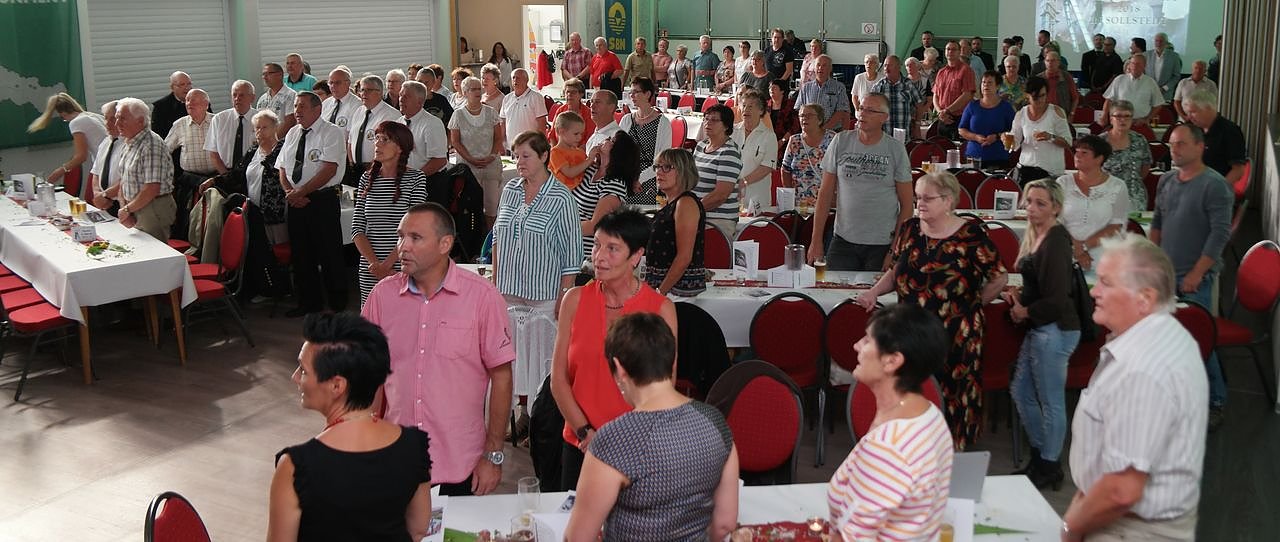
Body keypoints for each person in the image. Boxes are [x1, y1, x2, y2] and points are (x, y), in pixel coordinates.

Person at [361, 203, 515, 496]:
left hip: (460, 464)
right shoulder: (382, 297)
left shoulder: (482, 297)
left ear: (445, 244)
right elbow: (369, 377)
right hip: (396, 459)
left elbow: (502, 377)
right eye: (400, 236)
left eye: (415, 238)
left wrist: (493, 454)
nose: (403, 247)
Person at [1063, 234, 1207, 540]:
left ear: (1144, 299)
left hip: (1130, 530)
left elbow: (1121, 490)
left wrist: (1071, 528)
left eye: (1106, 283)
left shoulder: (1142, 369)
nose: (1094, 291)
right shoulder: (1162, 334)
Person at [855, 172, 1008, 449]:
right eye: (917, 198)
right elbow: (896, 270)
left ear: (948, 200)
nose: (920, 204)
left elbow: (999, 278)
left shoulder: (971, 235)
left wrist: (971, 305)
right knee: (913, 391)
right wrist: (873, 292)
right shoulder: (910, 229)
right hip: (911, 333)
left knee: (956, 395)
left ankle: (954, 453)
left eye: (927, 198)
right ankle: (912, 450)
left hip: (957, 334)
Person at [564, 312, 735, 541]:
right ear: (672, 360)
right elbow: (725, 524)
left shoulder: (614, 440)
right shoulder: (716, 423)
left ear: (620, 369)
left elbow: (578, 537)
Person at [267, 313, 432, 542]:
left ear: (337, 386)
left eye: (303, 370)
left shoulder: (296, 466)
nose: (295, 377)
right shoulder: (414, 445)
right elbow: (418, 528)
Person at [551, 210, 678, 488]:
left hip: (636, 448)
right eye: (597, 245)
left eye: (612, 248)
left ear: (636, 256)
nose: (599, 256)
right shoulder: (575, 299)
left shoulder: (659, 309)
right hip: (581, 443)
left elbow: (664, 387)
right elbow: (558, 379)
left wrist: (620, 441)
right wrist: (586, 433)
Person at [827, 302, 954, 540]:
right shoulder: (930, 414)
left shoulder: (888, 446)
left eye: (867, 340)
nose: (856, 345)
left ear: (892, 361)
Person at [1150, 123, 1232, 430]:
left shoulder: (1214, 185)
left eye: (1181, 144)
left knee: (1198, 342)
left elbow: (1220, 234)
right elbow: (1158, 223)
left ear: (1200, 147)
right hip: (1166, 276)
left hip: (1194, 280)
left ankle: (1216, 401)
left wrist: (1197, 273)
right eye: (1172, 144)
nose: (1174, 149)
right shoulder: (1167, 180)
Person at [1001, 179, 1080, 490]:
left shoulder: (1056, 240)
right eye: (1029, 201)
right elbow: (1041, 287)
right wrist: (1019, 296)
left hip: (1055, 329)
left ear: (1056, 208)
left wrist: (1025, 311)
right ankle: (1042, 455)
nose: (1031, 208)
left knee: (1051, 401)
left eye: (1040, 203)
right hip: (1042, 327)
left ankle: (1049, 463)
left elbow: (1057, 300)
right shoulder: (1038, 235)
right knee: (1022, 392)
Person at [807, 93, 912, 272]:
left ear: (884, 118)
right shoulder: (841, 141)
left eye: (870, 110)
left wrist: (894, 250)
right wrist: (816, 240)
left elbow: (907, 205)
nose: (862, 114)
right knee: (834, 288)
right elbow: (824, 195)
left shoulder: (895, 149)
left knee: (876, 290)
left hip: (882, 244)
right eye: (861, 108)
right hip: (843, 240)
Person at [493, 130, 582, 323]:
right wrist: (495, 285)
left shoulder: (562, 197)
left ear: (543, 156)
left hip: (544, 297)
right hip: (507, 291)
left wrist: (564, 295)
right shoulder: (509, 190)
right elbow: (496, 239)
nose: (519, 162)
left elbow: (572, 254)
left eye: (526, 156)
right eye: (516, 156)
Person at [274, 91, 348, 316]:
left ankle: (337, 303)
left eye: (302, 106)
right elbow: (282, 168)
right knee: (301, 254)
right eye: (295, 106)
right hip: (295, 199)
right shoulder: (292, 133)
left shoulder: (331, 132)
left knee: (329, 252)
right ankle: (308, 303)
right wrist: (290, 192)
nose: (297, 111)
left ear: (317, 109)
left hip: (321, 199)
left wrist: (302, 192)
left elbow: (329, 169)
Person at [351, 122, 429, 304]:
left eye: (385, 139)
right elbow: (357, 228)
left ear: (400, 147)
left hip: (405, 264)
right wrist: (375, 264)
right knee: (371, 316)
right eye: (376, 138)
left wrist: (386, 266)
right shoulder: (366, 179)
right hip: (370, 268)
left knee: (404, 316)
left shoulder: (415, 178)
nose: (377, 144)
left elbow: (416, 229)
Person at [199, 109, 288, 246]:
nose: (260, 131)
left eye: (264, 127)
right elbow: (236, 175)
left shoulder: (283, 150)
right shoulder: (253, 151)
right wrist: (214, 180)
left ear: (275, 127)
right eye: (257, 128)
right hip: (253, 212)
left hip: (275, 214)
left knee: (279, 248)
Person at [102, 97, 177, 241]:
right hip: (134, 207)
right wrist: (125, 209)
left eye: (122, 119)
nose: (117, 123)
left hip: (152, 209)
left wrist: (127, 209)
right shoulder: (130, 142)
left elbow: (152, 188)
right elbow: (124, 180)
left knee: (153, 251)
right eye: (117, 118)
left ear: (140, 121)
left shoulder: (152, 145)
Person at [646, 149, 707, 296]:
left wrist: (660, 292)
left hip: (676, 291)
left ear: (683, 171)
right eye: (657, 167)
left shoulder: (685, 203)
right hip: (667, 288)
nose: (659, 172)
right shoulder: (673, 203)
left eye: (667, 167)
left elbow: (684, 257)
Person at [448, 76, 505, 228]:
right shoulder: (458, 115)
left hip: (490, 165)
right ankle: (475, 237)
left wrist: (492, 155)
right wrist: (470, 159)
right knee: (471, 205)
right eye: (473, 89)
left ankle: (491, 236)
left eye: (479, 88)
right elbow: (455, 141)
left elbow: (498, 138)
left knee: (492, 204)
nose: (478, 92)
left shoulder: (491, 112)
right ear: (465, 92)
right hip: (468, 167)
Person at [26, 92, 107, 198]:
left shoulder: (76, 122)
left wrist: (60, 171)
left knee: (92, 199)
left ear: (62, 113)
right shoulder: (93, 116)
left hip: (104, 168)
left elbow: (81, 156)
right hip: (109, 165)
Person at [165, 89, 217, 234]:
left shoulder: (217, 121)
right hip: (189, 181)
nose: (189, 103)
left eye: (193, 100)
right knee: (188, 220)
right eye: (187, 100)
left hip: (214, 178)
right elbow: (165, 151)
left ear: (206, 104)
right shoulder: (179, 124)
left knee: (212, 218)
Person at [575, 132, 636, 256]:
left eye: (611, 140)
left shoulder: (615, 184)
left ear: (617, 152)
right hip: (566, 244)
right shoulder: (589, 169)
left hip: (584, 253)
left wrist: (560, 225)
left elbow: (595, 226)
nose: (605, 139)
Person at [617, 77, 672, 204]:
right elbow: (619, 152)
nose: (632, 96)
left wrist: (639, 179)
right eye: (631, 92)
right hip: (626, 178)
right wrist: (629, 178)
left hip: (651, 177)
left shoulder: (662, 122)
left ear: (647, 94)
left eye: (636, 92)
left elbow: (663, 158)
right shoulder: (627, 120)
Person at [692, 104, 743, 238]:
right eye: (706, 119)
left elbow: (721, 194)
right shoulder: (700, 146)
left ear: (726, 126)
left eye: (714, 120)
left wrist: (694, 208)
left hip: (718, 221)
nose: (708, 123)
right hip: (698, 215)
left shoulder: (729, 152)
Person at [1010, 76, 1072, 183]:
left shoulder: (1056, 112)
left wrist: (1050, 137)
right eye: (1035, 97)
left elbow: (1068, 142)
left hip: (1051, 172)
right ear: (1027, 95)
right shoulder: (1021, 114)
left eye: (1043, 95)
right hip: (1026, 169)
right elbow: (1015, 144)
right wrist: (1007, 140)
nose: (1040, 100)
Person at [1182, 89, 1248, 185]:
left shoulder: (1229, 131)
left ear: (1208, 108)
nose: (1189, 117)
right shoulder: (1192, 128)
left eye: (1193, 112)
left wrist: (1218, 188)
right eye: (1188, 113)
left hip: (1214, 185)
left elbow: (1238, 170)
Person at [1100, 100, 1154, 213]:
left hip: (1134, 195)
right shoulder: (1100, 141)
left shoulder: (1140, 140)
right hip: (1105, 195)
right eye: (1118, 116)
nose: (1123, 120)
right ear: (1111, 119)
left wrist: (1132, 180)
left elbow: (1145, 166)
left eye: (1127, 116)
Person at [347, 75, 402, 184]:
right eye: (362, 90)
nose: (364, 93)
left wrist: (373, 167)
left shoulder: (391, 115)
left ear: (380, 92)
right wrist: (351, 162)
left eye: (369, 90)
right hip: (355, 170)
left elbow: (391, 147)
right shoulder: (358, 111)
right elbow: (350, 140)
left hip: (379, 170)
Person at [728, 89, 777, 209]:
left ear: (761, 110)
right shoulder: (731, 132)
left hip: (757, 199)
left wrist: (743, 182)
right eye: (744, 105)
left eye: (750, 106)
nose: (746, 109)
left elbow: (766, 167)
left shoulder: (769, 136)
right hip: (731, 197)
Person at [958, 71, 1017, 169]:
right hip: (973, 157)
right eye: (983, 82)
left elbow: (1014, 130)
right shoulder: (972, 106)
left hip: (998, 157)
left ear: (997, 86)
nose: (986, 85)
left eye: (990, 83)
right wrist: (975, 137)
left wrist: (997, 136)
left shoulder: (1006, 107)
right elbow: (961, 129)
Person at [781, 104, 834, 205]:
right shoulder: (794, 140)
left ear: (820, 119)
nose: (804, 118)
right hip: (799, 202)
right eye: (802, 115)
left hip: (825, 202)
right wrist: (789, 194)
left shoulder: (832, 139)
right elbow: (785, 169)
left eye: (809, 115)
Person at [395, 81, 449, 176]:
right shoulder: (398, 123)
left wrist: (416, 178)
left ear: (419, 102)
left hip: (429, 179)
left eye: (406, 97)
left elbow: (440, 160)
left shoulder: (432, 124)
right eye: (400, 95)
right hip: (403, 179)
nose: (401, 100)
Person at [206, 80, 258, 176]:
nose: (237, 98)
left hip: (253, 173)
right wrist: (226, 176)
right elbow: (213, 153)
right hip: (225, 172)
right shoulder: (219, 119)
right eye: (234, 95)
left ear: (252, 98)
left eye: (241, 95)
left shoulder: (260, 119)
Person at [871, 55, 926, 139]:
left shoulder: (908, 85)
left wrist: (917, 124)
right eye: (885, 65)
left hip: (903, 134)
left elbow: (919, 105)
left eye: (889, 65)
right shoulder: (878, 87)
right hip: (883, 135)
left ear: (898, 67)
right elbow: (871, 109)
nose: (886, 68)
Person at [932, 41, 977, 141]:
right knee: (941, 147)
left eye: (953, 49)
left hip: (959, 118)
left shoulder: (966, 70)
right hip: (942, 118)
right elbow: (935, 95)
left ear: (959, 52)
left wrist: (947, 110)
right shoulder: (941, 72)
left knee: (958, 149)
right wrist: (940, 112)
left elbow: (967, 95)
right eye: (948, 49)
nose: (950, 52)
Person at [1101, 55, 1164, 126]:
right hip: (1120, 122)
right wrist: (1104, 116)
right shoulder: (1119, 79)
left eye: (1138, 64)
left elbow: (1158, 105)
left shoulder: (1150, 82)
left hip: (1140, 124)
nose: (1135, 66)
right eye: (1133, 63)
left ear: (1144, 66)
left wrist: (1147, 119)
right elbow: (1109, 100)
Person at [795, 55, 851, 132]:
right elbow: (799, 109)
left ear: (830, 69)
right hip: (810, 132)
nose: (820, 68)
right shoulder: (806, 87)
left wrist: (823, 129)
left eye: (824, 65)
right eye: (818, 65)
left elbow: (841, 111)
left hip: (832, 131)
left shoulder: (839, 87)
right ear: (814, 68)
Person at [499, 68, 548, 152]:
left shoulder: (536, 97)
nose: (515, 80)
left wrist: (541, 145)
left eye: (518, 78)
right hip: (510, 147)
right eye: (513, 78)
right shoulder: (507, 98)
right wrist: (501, 142)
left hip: (530, 147)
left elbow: (542, 123)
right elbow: (503, 122)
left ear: (526, 80)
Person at [87, 101, 123, 213]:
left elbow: (128, 178)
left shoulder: (130, 144)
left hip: (121, 202)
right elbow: (96, 172)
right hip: (104, 203)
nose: (107, 123)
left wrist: (105, 196)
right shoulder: (106, 142)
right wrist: (97, 193)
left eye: (112, 119)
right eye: (106, 118)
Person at [548, 111, 597, 190]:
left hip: (580, 192)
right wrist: (589, 159)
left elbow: (591, 167)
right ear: (561, 132)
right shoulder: (555, 153)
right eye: (576, 134)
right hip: (561, 194)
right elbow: (570, 173)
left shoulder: (580, 152)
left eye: (581, 134)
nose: (580, 138)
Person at [548, 78, 595, 145]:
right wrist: (555, 149)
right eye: (567, 92)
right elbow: (552, 135)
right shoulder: (560, 110)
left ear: (581, 94)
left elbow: (589, 139)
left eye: (573, 92)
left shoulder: (588, 113)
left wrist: (574, 151)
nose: (569, 94)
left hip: (580, 149)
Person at [257, 63, 299, 138]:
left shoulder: (291, 95)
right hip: (264, 141)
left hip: (283, 141)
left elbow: (289, 123)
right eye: (263, 74)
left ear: (280, 75)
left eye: (269, 74)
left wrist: (274, 140)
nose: (265, 77)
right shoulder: (262, 99)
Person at [152, 71, 197, 139]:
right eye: (182, 84)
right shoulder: (160, 106)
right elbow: (158, 134)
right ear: (172, 87)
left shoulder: (201, 101)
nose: (187, 88)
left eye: (189, 84)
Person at [321, 67, 361, 134]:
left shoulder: (357, 105)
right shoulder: (325, 103)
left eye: (337, 83)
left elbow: (352, 134)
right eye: (331, 83)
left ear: (348, 83)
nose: (333, 86)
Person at [1145, 33, 1182, 101]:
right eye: (1156, 41)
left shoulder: (1174, 56)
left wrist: (1164, 88)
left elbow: (1176, 76)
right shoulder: (1146, 55)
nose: (1158, 43)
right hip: (1148, 92)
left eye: (1161, 41)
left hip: (1165, 94)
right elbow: (1142, 73)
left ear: (1166, 43)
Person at [767, 78, 799, 144]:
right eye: (770, 88)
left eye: (774, 88)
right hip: (768, 141)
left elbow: (795, 126)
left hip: (787, 141)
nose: (771, 90)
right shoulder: (765, 105)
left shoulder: (790, 105)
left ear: (782, 91)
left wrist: (782, 141)